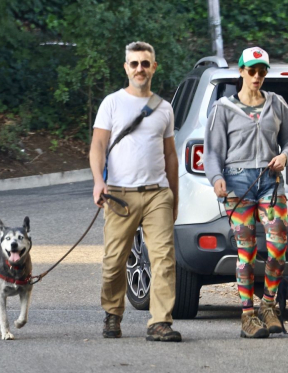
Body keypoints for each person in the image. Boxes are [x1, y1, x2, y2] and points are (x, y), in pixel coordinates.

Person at [204, 46, 288, 338]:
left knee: (277, 248)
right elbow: (212, 153)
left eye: (262, 71)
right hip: (237, 184)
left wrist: (285, 158)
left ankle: (269, 306)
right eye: (251, 70)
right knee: (246, 251)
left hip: (270, 182)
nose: (257, 76)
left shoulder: (277, 104)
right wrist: (216, 178)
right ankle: (247, 315)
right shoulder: (224, 108)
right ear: (242, 71)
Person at [89, 41, 181, 342]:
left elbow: (170, 155)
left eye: (145, 63)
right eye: (134, 63)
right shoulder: (111, 103)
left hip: (157, 194)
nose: (140, 68)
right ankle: (113, 313)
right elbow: (98, 146)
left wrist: (174, 196)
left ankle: (159, 322)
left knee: (164, 259)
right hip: (119, 194)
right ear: (126, 68)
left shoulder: (164, 108)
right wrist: (98, 182)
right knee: (114, 260)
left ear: (154, 67)